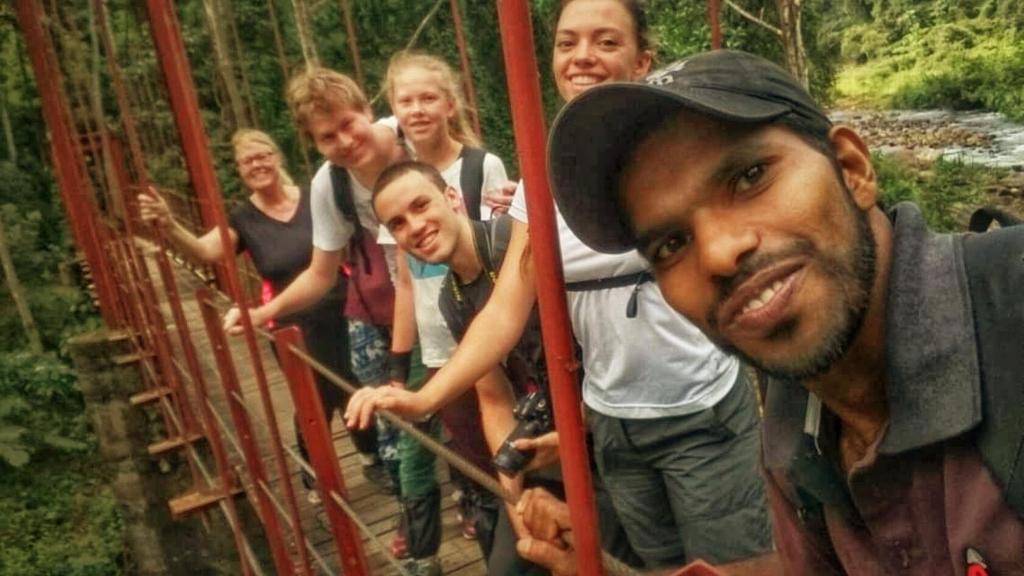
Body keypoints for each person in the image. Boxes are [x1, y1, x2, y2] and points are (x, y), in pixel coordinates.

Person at [545, 49, 1024, 575]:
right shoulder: (797, 419)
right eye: (670, 244)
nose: (718, 253)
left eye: (750, 177)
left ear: (852, 168)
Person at [345, 0, 773, 570]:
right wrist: (424, 396)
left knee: (732, 568)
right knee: (655, 568)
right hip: (612, 423)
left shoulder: (683, 152)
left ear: (642, 60)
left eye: (605, 42)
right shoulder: (544, 181)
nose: (582, 58)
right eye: (567, 43)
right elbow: (504, 310)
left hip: (697, 410)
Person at [136, 128, 383, 503]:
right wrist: (170, 226)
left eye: (262, 155)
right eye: (247, 161)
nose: (257, 165)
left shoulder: (315, 195)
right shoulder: (244, 219)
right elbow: (206, 252)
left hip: (344, 307)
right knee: (313, 398)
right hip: (291, 324)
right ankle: (316, 473)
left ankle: (371, 455)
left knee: (352, 384)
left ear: (276, 157)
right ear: (240, 170)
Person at [372, 160, 553, 575]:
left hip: (601, 425)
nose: (414, 227)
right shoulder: (451, 299)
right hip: (544, 434)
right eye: (398, 224)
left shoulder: (512, 240)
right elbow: (494, 401)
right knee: (512, 563)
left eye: (421, 206)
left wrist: (422, 400)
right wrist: (514, 501)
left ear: (452, 197)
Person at [383, 51, 514, 550]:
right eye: (405, 100)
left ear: (449, 104)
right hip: (438, 344)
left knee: (510, 442)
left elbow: (495, 250)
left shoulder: (481, 166)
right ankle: (500, 539)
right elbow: (406, 281)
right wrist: (399, 366)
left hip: (493, 332)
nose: (416, 109)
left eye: (427, 97)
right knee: (475, 461)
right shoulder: (394, 184)